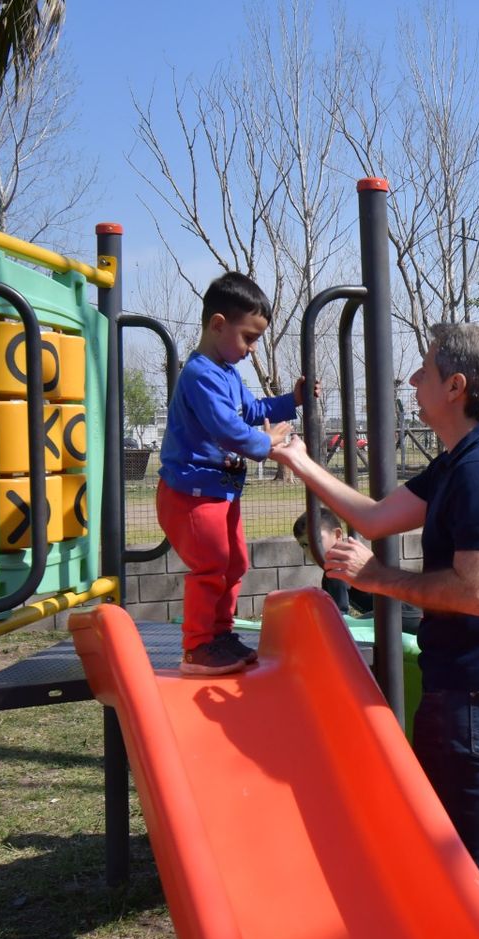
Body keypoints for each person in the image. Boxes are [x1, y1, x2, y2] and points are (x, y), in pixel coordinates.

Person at [270, 322, 479, 939]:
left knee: (466, 869)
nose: (412, 381)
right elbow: (378, 516)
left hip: (477, 700)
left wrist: (376, 578)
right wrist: (299, 461)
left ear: (456, 387)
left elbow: (475, 591)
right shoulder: (464, 457)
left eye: (424, 371)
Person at [156, 271, 307, 675]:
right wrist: (269, 445)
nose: (252, 349)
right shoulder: (200, 374)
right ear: (218, 324)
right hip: (191, 493)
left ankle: (220, 634)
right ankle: (197, 647)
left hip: (219, 492)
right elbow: (228, 428)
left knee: (236, 562)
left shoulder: (227, 372)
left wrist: (290, 401)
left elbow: (252, 411)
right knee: (211, 566)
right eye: (249, 337)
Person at [291, 510, 423, 634]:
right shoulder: (337, 565)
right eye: (304, 545)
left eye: (317, 541)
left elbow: (339, 617)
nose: (311, 550)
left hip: (404, 614)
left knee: (342, 627)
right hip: (409, 613)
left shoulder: (337, 567)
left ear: (337, 535)